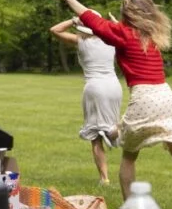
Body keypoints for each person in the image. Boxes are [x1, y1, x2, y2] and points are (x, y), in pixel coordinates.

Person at [47, 0, 172, 200]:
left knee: (128, 158)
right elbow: (118, 33)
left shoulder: (124, 34)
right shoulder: (151, 36)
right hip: (167, 97)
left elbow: (92, 20)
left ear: (128, 15)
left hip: (144, 97)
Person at [49, 13, 122, 185]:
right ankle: (115, 130)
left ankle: (104, 178)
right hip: (114, 86)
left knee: (95, 136)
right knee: (110, 125)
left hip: (95, 87)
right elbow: (128, 34)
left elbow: (55, 30)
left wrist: (73, 20)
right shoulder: (112, 41)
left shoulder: (82, 41)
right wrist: (114, 22)